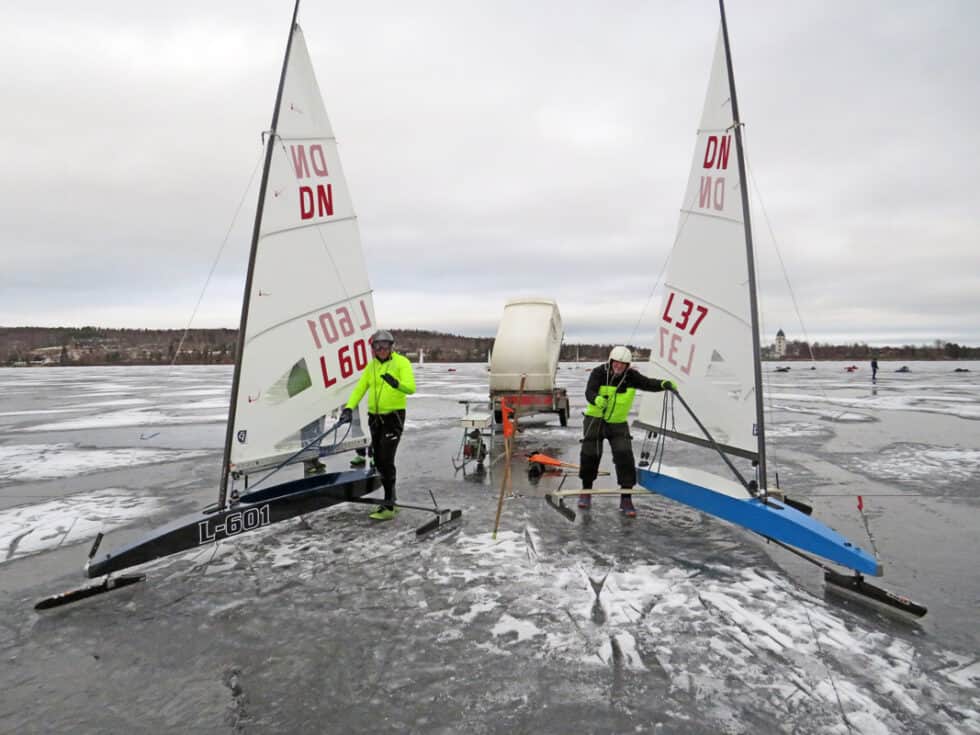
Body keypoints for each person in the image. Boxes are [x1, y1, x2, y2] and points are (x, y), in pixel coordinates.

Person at [579, 346, 677, 517]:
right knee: (590, 454)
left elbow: (648, 383)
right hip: (595, 420)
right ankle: (586, 491)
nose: (618, 366)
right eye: (616, 363)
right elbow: (589, 391)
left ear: (627, 365)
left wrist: (663, 384)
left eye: (622, 364)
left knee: (624, 455)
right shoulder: (598, 373)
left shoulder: (631, 377)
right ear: (611, 361)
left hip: (618, 423)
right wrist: (597, 399)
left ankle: (626, 498)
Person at [340, 329, 416, 520]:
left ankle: (389, 505)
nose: (381, 349)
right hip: (374, 418)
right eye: (377, 346)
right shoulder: (371, 366)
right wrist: (349, 408)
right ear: (373, 348)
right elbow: (360, 388)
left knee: (385, 459)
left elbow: (411, 388)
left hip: (393, 418)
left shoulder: (402, 363)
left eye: (385, 346)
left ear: (391, 347)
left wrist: (396, 384)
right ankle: (392, 498)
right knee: (378, 459)